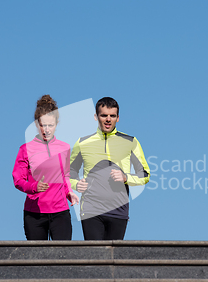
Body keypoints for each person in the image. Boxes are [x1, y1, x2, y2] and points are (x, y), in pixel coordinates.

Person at [70, 97, 150, 240]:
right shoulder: (82, 143)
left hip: (118, 211)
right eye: (104, 115)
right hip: (91, 209)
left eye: (112, 116)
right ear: (96, 117)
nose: (108, 119)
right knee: (94, 258)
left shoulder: (131, 142)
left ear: (118, 118)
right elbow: (68, 173)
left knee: (113, 260)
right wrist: (76, 184)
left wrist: (126, 178)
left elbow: (145, 174)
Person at [13, 94, 79, 240]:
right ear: (36, 124)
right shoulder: (26, 149)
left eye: (50, 125)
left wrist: (69, 193)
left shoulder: (64, 148)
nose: (46, 130)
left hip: (60, 211)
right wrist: (34, 187)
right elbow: (18, 180)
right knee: (38, 260)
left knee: (62, 257)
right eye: (43, 125)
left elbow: (65, 176)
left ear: (57, 123)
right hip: (34, 213)